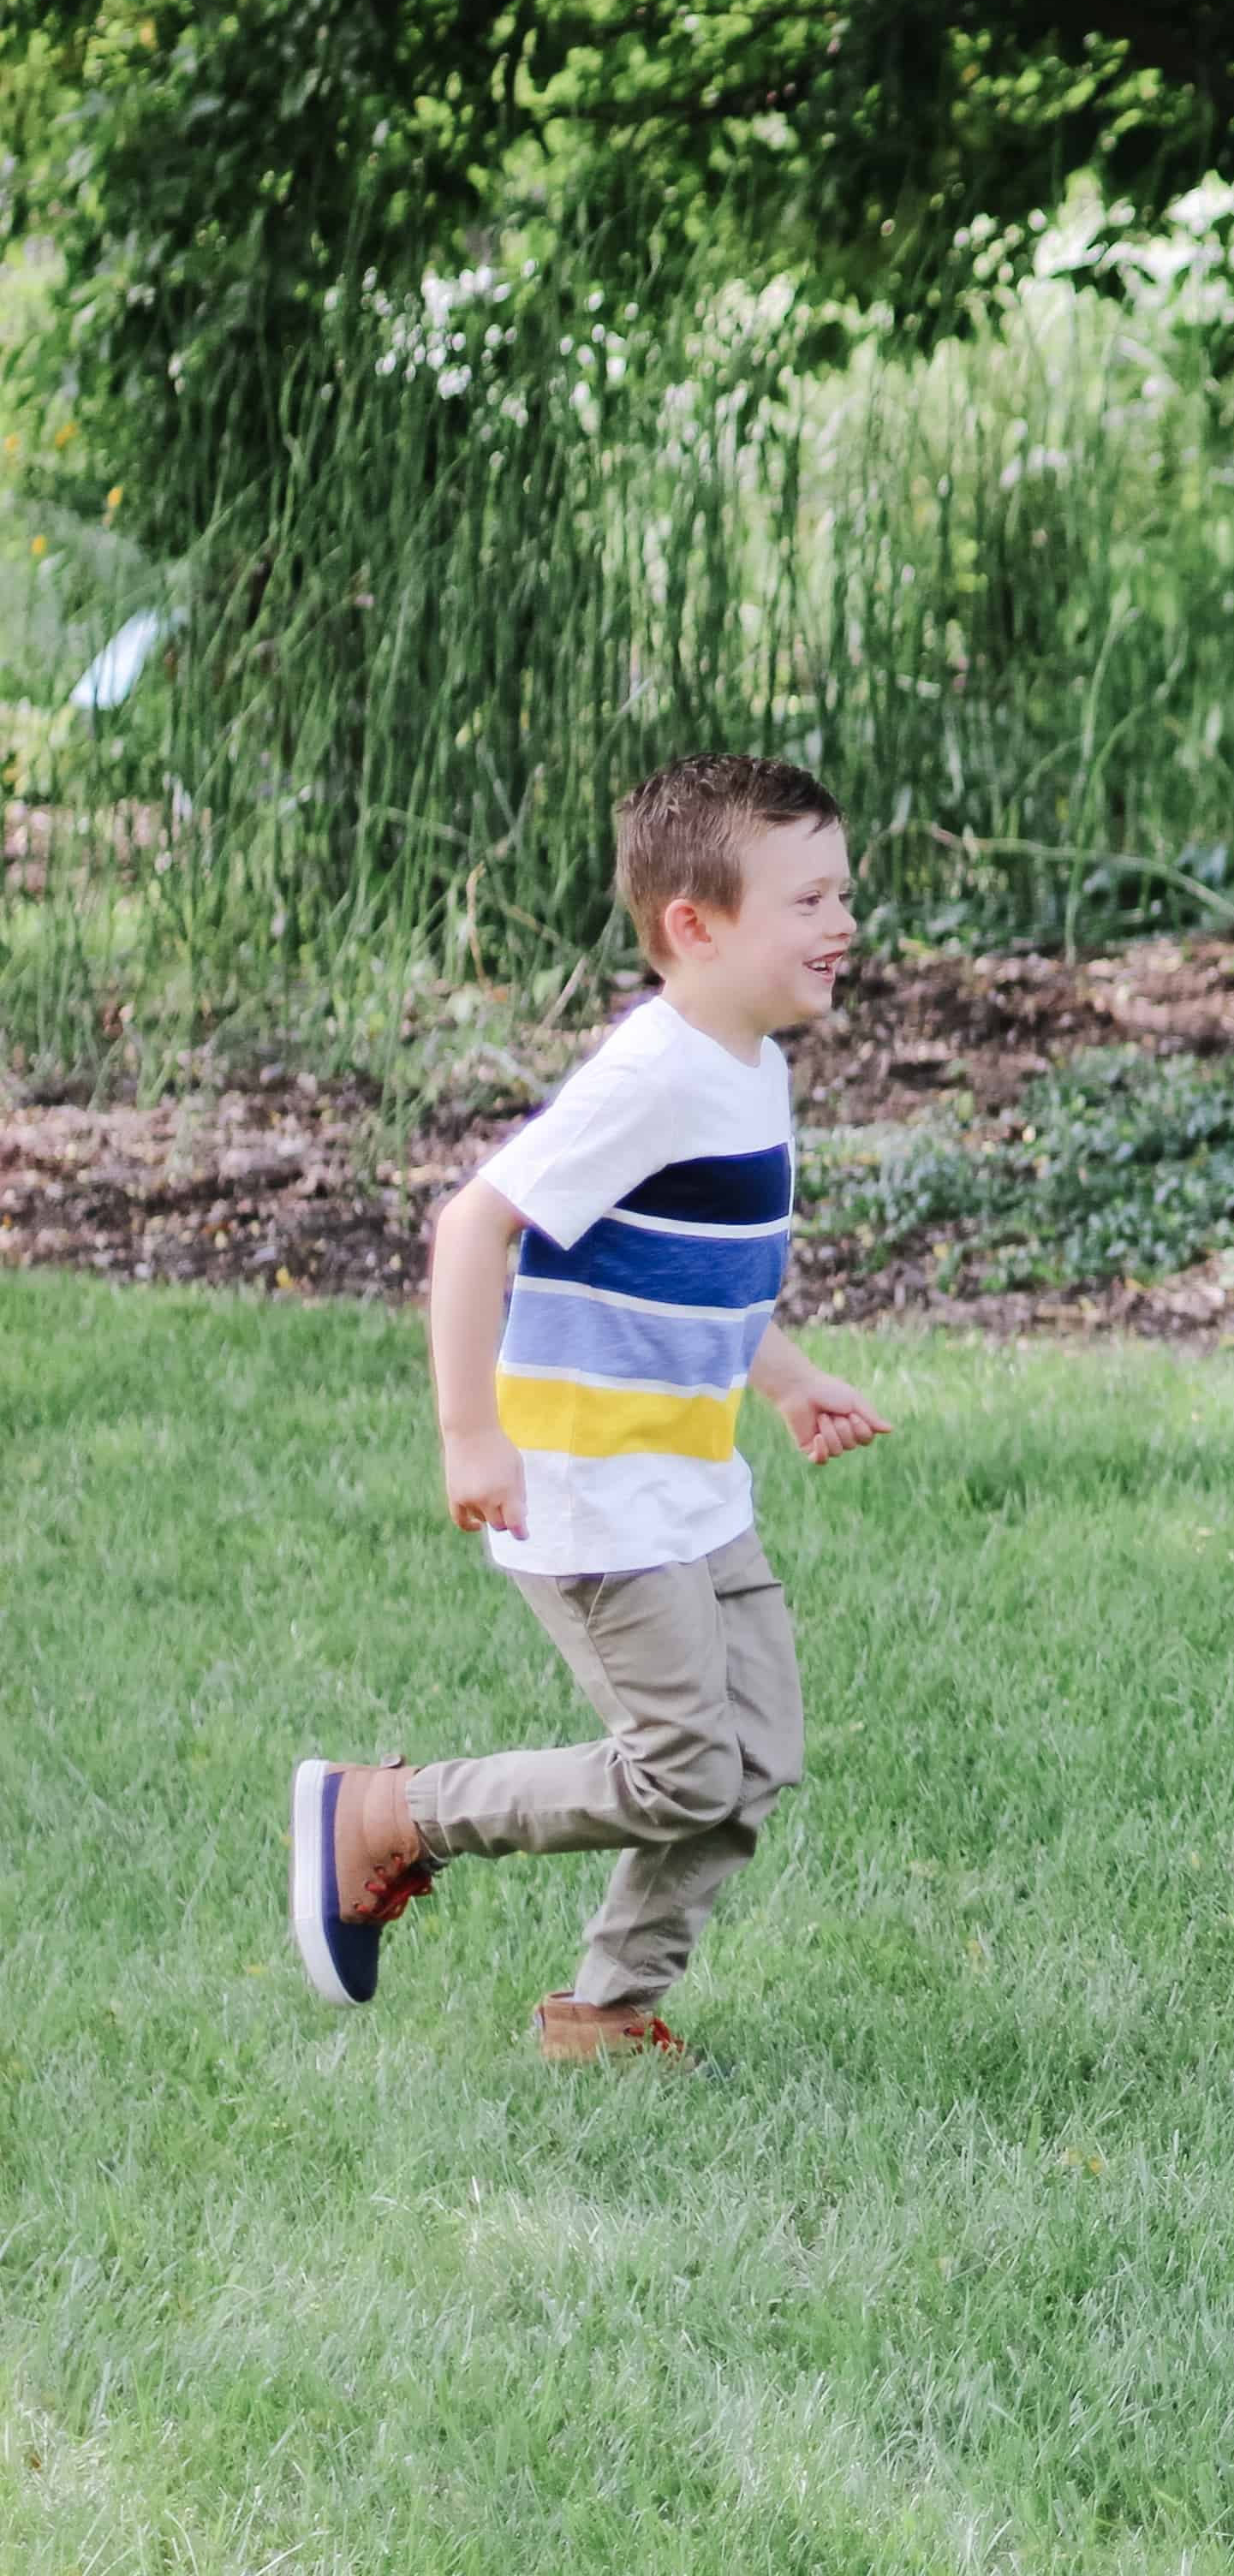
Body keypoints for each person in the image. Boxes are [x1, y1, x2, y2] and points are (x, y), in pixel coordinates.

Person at [291, 754, 891, 2060]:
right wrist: (471, 1436)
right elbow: (473, 1228)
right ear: (696, 923)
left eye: (843, 893)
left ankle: (606, 2017)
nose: (843, 923)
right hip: (594, 1491)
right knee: (683, 1766)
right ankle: (391, 1816)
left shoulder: (749, 1067)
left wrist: (785, 1382)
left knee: (752, 1762)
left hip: (689, 1486)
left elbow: (691, 1276)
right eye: (809, 900)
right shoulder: (655, 1075)